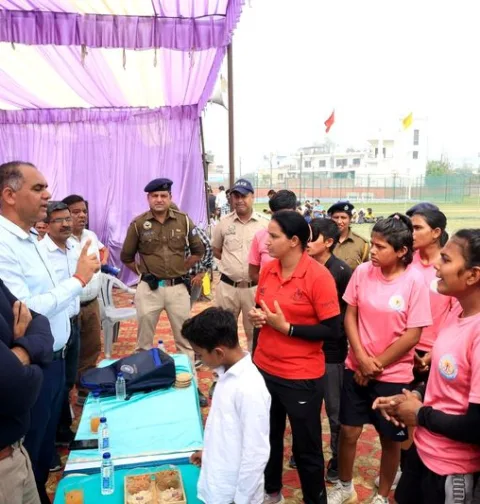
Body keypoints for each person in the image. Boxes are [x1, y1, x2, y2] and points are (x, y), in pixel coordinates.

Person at [0, 161, 99, 504]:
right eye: (38, 188)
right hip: (32, 363)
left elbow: (38, 307)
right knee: (28, 452)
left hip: (56, 356)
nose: (48, 195)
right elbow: (26, 310)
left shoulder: (29, 238)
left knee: (42, 451)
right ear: (9, 195)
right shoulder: (3, 243)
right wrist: (78, 280)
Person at [327, 214, 432, 504]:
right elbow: (351, 315)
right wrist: (361, 358)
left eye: (380, 246)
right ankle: (345, 486)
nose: (372, 251)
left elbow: (413, 334)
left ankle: (383, 495)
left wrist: (375, 365)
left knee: (390, 438)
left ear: (401, 251)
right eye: (372, 244)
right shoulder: (362, 272)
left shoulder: (415, 281)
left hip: (393, 375)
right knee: (348, 431)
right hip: (355, 367)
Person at [373, 229, 480, 504]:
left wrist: (420, 414)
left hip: (453, 470)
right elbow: (447, 386)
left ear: (472, 275)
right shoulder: (457, 311)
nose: (435, 265)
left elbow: (477, 425)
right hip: (423, 451)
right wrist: (415, 396)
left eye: (446, 260)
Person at [248, 210, 341, 504]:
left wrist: (288, 328)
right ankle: (271, 490)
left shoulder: (318, 276)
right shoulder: (269, 269)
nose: (266, 242)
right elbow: (263, 308)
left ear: (294, 241)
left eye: (274, 236)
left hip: (300, 376)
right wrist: (258, 316)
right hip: (265, 368)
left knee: (306, 447)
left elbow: (332, 329)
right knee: (268, 437)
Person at [120, 178, 207, 406]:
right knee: (143, 343)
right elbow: (126, 256)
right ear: (148, 198)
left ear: (170, 198)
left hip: (177, 289)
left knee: (185, 341)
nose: (159, 199)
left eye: (163, 196)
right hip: (149, 290)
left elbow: (198, 250)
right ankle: (144, 384)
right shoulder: (138, 224)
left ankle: (192, 386)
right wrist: (143, 273)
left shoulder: (183, 220)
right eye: (155, 196)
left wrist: (183, 268)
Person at [184, 307, 271, 504]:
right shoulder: (226, 373)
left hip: (235, 494)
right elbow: (227, 430)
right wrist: (209, 455)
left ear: (218, 352)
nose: (200, 360)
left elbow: (256, 453)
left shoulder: (249, 388)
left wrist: (241, 499)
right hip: (219, 478)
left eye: (200, 355)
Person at [307, 218, 353, 483]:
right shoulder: (304, 267)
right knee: (306, 408)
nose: (307, 242)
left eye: (313, 237)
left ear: (328, 243)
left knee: (335, 411)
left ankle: (336, 459)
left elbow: (347, 315)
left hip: (332, 353)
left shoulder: (341, 271)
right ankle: (308, 451)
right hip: (305, 349)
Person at [0, 278, 53, 504]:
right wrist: (28, 357)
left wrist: (20, 351)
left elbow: (38, 321)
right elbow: (18, 387)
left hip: (16, 453)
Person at [39, 202, 81, 469]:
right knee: (50, 391)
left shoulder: (74, 247)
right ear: (46, 224)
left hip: (73, 323)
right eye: (59, 220)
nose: (66, 224)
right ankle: (48, 446)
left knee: (67, 382)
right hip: (51, 326)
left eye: (68, 218)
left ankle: (63, 431)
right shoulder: (41, 253)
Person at [212, 178, 268, 351]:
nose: (240, 200)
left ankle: (253, 365)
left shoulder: (265, 224)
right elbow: (217, 250)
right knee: (223, 332)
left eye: (244, 196)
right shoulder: (224, 223)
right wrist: (233, 266)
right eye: (236, 196)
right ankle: (226, 366)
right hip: (228, 288)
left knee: (255, 333)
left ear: (252, 197)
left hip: (255, 288)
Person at [62, 194, 106, 406]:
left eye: (84, 211)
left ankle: (84, 388)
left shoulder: (91, 235)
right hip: (70, 305)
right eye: (76, 212)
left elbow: (103, 251)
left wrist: (101, 265)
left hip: (92, 303)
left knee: (92, 347)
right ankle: (65, 394)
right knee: (69, 351)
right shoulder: (60, 240)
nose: (82, 215)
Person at [248, 189, 297, 284]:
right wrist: (270, 287)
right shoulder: (260, 236)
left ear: (294, 212)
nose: (282, 220)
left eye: (286, 215)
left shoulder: (304, 235)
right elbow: (253, 273)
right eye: (277, 215)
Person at [327, 201, 369, 270]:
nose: (339, 221)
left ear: (350, 219)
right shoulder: (323, 241)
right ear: (331, 219)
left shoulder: (362, 243)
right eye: (336, 217)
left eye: (343, 218)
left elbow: (366, 270)